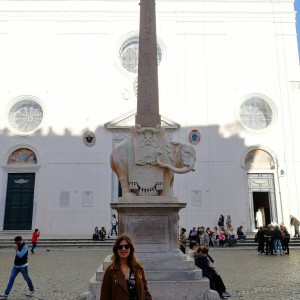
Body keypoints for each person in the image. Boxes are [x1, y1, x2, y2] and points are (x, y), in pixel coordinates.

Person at [100, 233, 152, 300]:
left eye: (126, 246)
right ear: (116, 249)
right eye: (120, 247)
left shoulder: (138, 268)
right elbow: (104, 296)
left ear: (131, 249)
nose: (123, 249)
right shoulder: (110, 271)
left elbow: (146, 292)